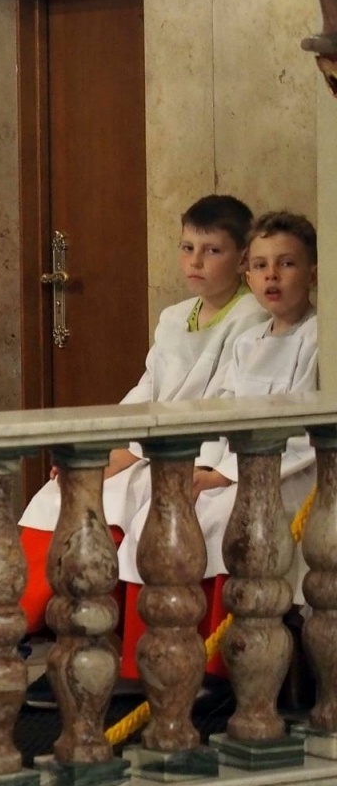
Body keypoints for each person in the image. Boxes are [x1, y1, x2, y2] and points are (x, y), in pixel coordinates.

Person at [0, 194, 269, 705]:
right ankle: (13, 634)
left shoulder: (251, 319)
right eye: (187, 247)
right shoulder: (174, 318)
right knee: (58, 496)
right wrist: (110, 445)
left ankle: (127, 660)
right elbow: (146, 391)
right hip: (151, 446)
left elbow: (226, 405)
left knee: (140, 507)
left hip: (198, 454)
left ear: (240, 258)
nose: (195, 261)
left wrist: (136, 452)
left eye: (211, 251)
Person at [116, 211, 318, 683]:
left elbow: (309, 428)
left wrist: (227, 474)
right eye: (262, 265)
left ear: (312, 271)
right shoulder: (248, 339)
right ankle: (142, 664)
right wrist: (206, 467)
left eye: (286, 264)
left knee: (222, 517)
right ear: (248, 273)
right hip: (232, 466)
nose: (272, 276)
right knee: (165, 509)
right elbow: (222, 411)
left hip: (293, 477)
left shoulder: (319, 338)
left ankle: (217, 665)